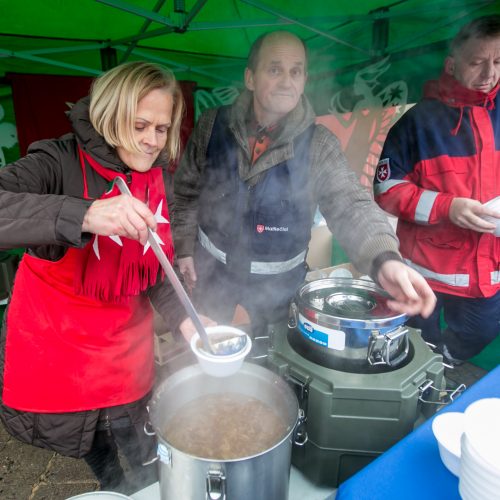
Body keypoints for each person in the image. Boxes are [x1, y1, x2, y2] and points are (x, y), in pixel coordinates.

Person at [0, 61, 212, 494]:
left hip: (125, 349)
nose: (152, 141)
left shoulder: (157, 178)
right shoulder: (56, 160)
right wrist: (87, 213)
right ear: (111, 114)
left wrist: (187, 320)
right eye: (140, 125)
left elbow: (156, 269)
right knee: (92, 442)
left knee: (141, 444)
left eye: (161, 128)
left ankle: (147, 485)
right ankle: (112, 483)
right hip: (61, 346)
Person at [173, 30, 436, 340]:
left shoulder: (319, 145)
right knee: (211, 368)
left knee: (271, 377)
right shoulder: (211, 124)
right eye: (275, 69)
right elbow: (185, 193)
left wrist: (384, 260)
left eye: (295, 71)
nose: (287, 81)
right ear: (250, 77)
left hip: (277, 301)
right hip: (210, 285)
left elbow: (350, 205)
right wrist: (183, 248)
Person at [373, 15, 500, 365]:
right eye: (477, 62)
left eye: (499, 61)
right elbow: (385, 187)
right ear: (452, 65)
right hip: (424, 269)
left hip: (489, 269)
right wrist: (448, 207)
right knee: (414, 346)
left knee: (481, 330)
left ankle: (445, 363)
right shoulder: (417, 122)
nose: (490, 73)